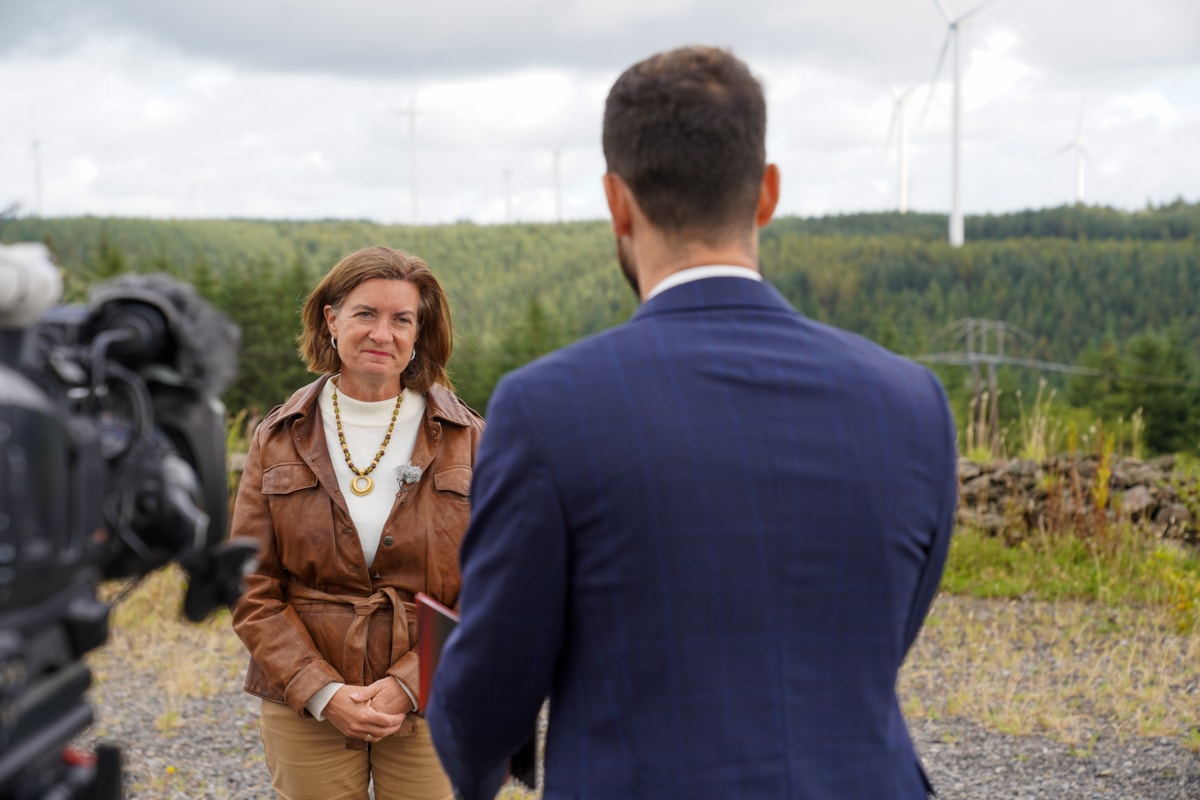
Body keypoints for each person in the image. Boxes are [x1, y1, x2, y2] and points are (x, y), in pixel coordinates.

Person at [426, 46, 957, 799]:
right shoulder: (912, 401)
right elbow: (883, 636)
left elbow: (488, 696)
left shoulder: (547, 408)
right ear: (766, 192)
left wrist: (477, 770)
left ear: (617, 200)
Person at [231, 245, 483, 800]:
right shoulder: (277, 437)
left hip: (435, 696)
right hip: (307, 706)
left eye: (402, 319)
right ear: (332, 319)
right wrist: (322, 692)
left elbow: (495, 583)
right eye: (366, 313)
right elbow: (251, 586)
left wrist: (410, 682)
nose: (382, 333)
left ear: (419, 333)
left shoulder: (469, 438)